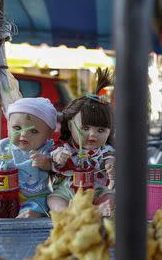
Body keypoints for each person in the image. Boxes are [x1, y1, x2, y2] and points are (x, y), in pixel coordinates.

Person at [0, 97, 57, 218]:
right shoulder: (0, 146)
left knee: (37, 208)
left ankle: (27, 217)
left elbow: (57, 167)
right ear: (8, 126)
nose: (24, 134)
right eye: (17, 128)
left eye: (34, 131)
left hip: (31, 197)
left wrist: (47, 164)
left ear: (48, 134)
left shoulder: (47, 150)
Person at [49, 72, 115, 217]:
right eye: (85, 128)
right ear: (70, 125)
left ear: (109, 132)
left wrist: (112, 166)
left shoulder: (105, 151)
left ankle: (94, 211)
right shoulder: (65, 147)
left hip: (95, 193)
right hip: (66, 192)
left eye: (101, 130)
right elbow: (54, 156)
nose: (93, 135)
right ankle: (72, 214)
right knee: (54, 200)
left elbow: (110, 159)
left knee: (110, 197)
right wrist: (59, 157)